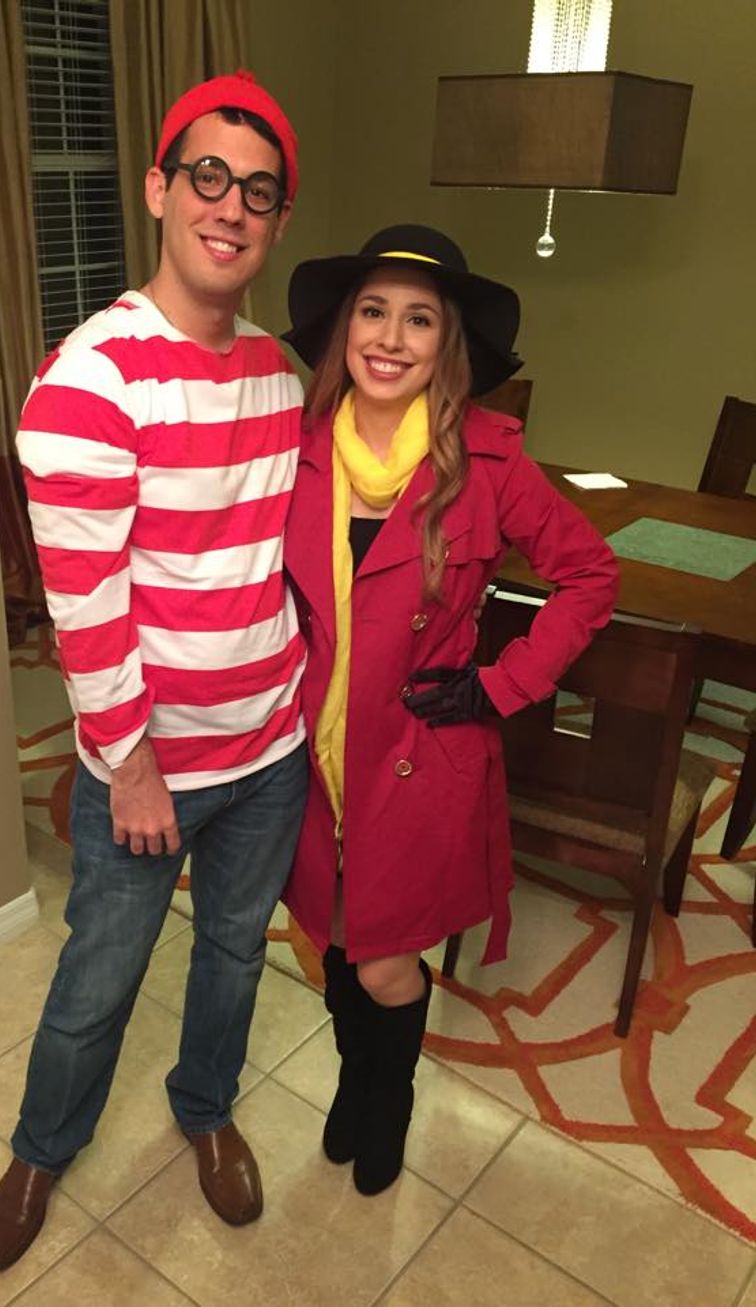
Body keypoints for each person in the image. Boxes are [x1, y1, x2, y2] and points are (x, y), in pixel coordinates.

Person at [0, 71, 308, 1272]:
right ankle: (41, 1148)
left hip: (269, 748)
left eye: (257, 191)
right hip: (149, 766)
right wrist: (129, 766)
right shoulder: (89, 378)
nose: (230, 207)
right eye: (208, 176)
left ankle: (203, 1107)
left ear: (276, 221)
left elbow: (284, 550)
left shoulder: (279, 373)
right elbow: (85, 605)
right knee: (99, 978)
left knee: (233, 953)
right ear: (160, 189)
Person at [280, 225, 620, 1197]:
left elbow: (589, 576)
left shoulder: (490, 458)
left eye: (418, 318)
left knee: (383, 962)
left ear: (447, 342)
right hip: (307, 757)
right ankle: (354, 1081)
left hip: (418, 754)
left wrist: (502, 682)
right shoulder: (296, 446)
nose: (390, 337)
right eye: (373, 311)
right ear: (344, 327)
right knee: (329, 940)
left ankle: (383, 1099)